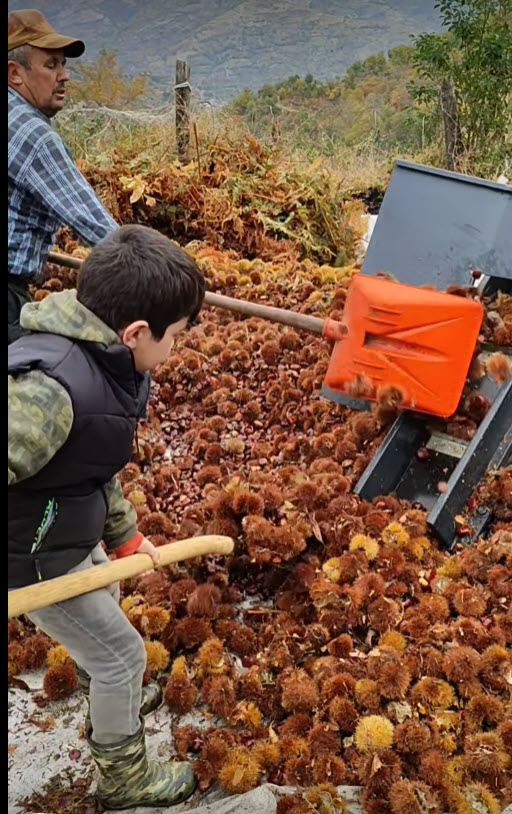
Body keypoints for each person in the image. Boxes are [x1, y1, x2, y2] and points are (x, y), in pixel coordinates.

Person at [8, 225, 206, 809]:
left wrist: (124, 534)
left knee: (110, 617)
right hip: (30, 556)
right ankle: (124, 777)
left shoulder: (107, 362)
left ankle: (108, 695)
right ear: (137, 331)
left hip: (63, 528)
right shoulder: (48, 393)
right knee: (123, 654)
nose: (177, 350)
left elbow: (91, 460)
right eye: (176, 337)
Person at [8, 9, 118, 344]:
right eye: (50, 65)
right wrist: (163, 273)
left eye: (63, 65)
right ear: (14, 73)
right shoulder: (34, 136)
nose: (64, 76)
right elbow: (97, 228)